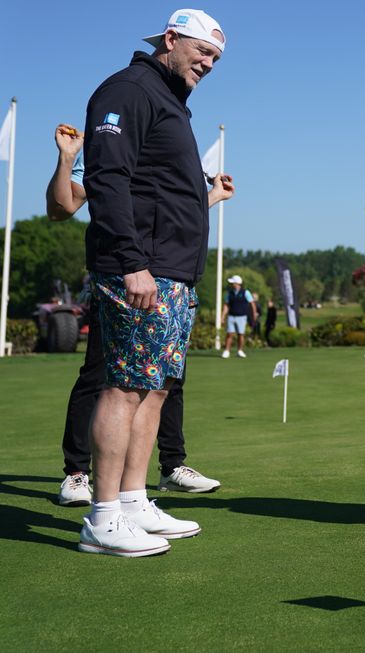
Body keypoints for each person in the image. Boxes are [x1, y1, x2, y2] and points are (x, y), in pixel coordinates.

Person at [78, 9, 226, 557]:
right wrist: (131, 260)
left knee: (156, 386)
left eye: (215, 58)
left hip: (171, 272)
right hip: (140, 268)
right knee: (125, 385)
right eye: (203, 52)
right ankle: (103, 516)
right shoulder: (129, 89)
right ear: (170, 40)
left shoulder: (169, 101)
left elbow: (164, 190)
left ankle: (135, 500)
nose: (208, 64)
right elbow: (106, 178)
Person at [45, 122, 229, 506]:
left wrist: (210, 197)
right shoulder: (111, 145)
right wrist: (67, 159)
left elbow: (172, 212)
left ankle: (168, 467)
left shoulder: (168, 153)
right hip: (120, 277)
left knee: (166, 381)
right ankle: (78, 474)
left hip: (168, 277)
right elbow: (62, 207)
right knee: (101, 376)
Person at [221, 275, 257, 358]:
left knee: (241, 334)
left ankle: (240, 351)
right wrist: (223, 316)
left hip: (242, 317)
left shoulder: (245, 292)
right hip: (231, 316)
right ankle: (227, 351)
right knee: (229, 334)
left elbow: (252, 304)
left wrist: (254, 314)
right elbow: (226, 305)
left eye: (233, 282)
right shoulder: (229, 293)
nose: (231, 284)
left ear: (237, 283)